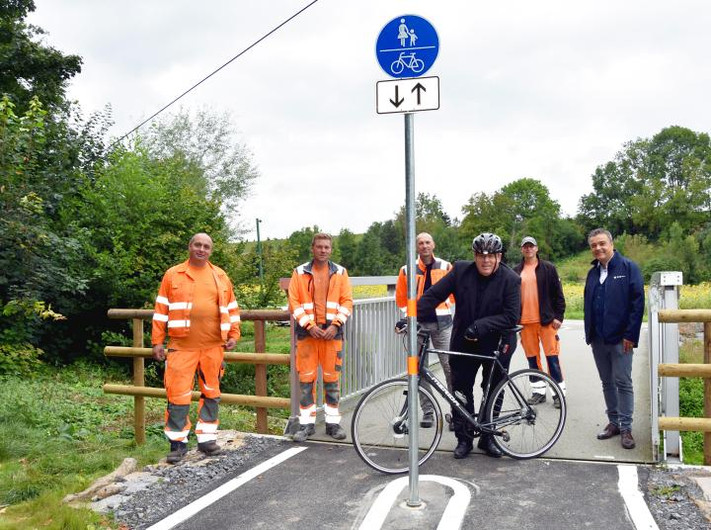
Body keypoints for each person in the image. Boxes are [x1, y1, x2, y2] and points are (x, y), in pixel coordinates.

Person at [419, 233, 521, 459]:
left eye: (491, 256)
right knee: (461, 389)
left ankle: (488, 438)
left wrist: (482, 325)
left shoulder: (511, 279)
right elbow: (434, 295)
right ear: (474, 256)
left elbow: (512, 316)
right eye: (481, 255)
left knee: (492, 389)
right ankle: (464, 439)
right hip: (465, 340)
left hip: (498, 341)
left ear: (499, 256)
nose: (486, 261)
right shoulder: (461, 271)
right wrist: (411, 316)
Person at [151, 233, 241, 464]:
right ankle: (178, 443)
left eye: (206, 246)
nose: (202, 249)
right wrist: (157, 341)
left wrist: (234, 333)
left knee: (212, 393)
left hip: (213, 346)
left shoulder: (220, 276)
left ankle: (207, 439)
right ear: (190, 247)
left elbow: (232, 308)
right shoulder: (173, 275)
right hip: (181, 347)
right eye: (198, 245)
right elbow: (161, 311)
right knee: (178, 395)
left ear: (211, 250)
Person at [288, 233, 353, 442]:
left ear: (331, 249)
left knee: (332, 380)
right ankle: (307, 425)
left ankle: (333, 424)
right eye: (319, 247)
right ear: (312, 248)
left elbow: (347, 302)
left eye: (326, 247)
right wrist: (310, 325)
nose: (323, 250)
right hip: (307, 335)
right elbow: (294, 303)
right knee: (306, 380)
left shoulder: (341, 272)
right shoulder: (299, 273)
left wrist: (335, 325)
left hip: (332, 335)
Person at [584, 228, 644, 450]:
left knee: (623, 382)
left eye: (602, 243)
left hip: (621, 339)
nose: (598, 248)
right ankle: (614, 422)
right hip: (598, 339)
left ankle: (626, 428)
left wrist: (631, 334)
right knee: (607, 382)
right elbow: (587, 303)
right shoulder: (592, 273)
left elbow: (637, 303)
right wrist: (589, 333)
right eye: (593, 245)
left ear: (611, 243)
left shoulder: (628, 268)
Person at [395, 232, 454, 429]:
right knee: (419, 369)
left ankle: (457, 412)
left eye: (428, 242)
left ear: (433, 244)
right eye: (420, 243)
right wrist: (408, 318)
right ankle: (428, 412)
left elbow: (455, 296)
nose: (424, 246)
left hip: (442, 324)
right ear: (416, 247)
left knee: (449, 367)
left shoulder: (445, 266)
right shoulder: (407, 270)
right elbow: (402, 299)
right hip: (418, 325)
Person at [513, 236, 567, 408]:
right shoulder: (515, 271)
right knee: (532, 360)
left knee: (552, 359)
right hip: (525, 323)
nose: (528, 249)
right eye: (525, 247)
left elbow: (558, 295)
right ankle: (538, 392)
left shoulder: (548, 268)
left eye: (531, 246)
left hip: (546, 322)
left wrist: (559, 316)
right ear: (522, 249)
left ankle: (558, 394)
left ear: (536, 249)